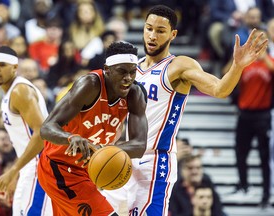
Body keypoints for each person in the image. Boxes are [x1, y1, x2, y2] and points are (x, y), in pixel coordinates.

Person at [102, 4, 268, 216]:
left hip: (155, 162)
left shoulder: (179, 65)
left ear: (173, 34)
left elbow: (219, 89)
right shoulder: (133, 69)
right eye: (148, 28)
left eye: (160, 31)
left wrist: (237, 66)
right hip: (124, 157)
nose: (152, 35)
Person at [37, 41, 148, 215]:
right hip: (58, 168)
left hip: (87, 172)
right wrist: (70, 137)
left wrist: (103, 151)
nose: (128, 78)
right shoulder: (90, 85)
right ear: (107, 69)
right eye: (122, 72)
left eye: (132, 72)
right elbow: (46, 128)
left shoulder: (135, 94)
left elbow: (139, 145)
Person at [0, 46, 52, 215]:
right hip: (28, 166)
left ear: (15, 68)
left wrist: (13, 170)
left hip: (41, 166)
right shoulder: (9, 92)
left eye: (2, 65)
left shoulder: (20, 91)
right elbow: (23, 140)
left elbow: (41, 133)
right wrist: (17, 174)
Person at [223, 29, 274, 208]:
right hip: (244, 115)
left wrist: (264, 56)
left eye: (260, 42)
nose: (257, 45)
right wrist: (236, 60)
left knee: (264, 157)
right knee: (240, 153)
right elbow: (224, 75)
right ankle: (243, 186)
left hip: (263, 115)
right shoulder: (245, 64)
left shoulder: (270, 62)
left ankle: (266, 195)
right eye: (254, 41)